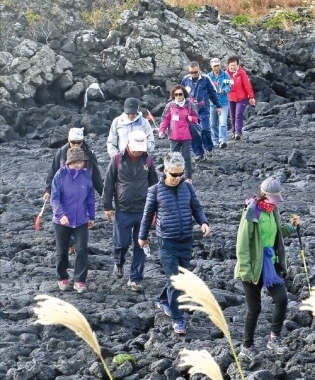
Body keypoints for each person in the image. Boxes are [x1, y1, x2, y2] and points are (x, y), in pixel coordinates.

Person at [138, 152, 211, 335]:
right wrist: (142, 236)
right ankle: (178, 320)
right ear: (165, 170)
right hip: (167, 241)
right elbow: (147, 215)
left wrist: (203, 222)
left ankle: (164, 300)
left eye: (181, 174)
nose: (178, 178)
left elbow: (196, 207)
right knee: (175, 280)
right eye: (174, 175)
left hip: (186, 239)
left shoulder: (187, 187)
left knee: (182, 278)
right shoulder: (155, 190)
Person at [234, 177, 301, 359]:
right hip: (253, 266)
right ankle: (247, 346)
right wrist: (246, 271)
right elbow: (242, 245)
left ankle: (274, 339)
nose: (275, 201)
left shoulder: (273, 210)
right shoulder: (252, 212)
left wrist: (291, 227)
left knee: (282, 299)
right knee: (254, 308)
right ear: (264, 195)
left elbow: (277, 232)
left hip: (270, 264)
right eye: (273, 197)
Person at [103, 131, 158, 291]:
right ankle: (118, 262)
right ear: (128, 144)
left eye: (140, 149)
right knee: (121, 243)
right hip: (123, 209)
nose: (138, 151)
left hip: (143, 210)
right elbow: (108, 184)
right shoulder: (117, 159)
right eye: (136, 149)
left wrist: (156, 207)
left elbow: (154, 184)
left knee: (141, 244)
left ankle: (135, 279)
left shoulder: (147, 160)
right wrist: (107, 206)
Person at [50, 147, 96, 294]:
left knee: (82, 249)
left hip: (81, 219)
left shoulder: (86, 176)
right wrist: (60, 215)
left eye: (81, 161)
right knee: (62, 251)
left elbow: (90, 198)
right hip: (62, 221)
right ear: (69, 162)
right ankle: (62, 277)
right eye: (76, 162)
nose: (79, 165)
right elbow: (54, 198)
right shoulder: (60, 176)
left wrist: (92, 216)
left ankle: (79, 280)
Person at [181, 61, 222, 161]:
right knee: (194, 132)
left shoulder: (206, 79)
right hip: (190, 110)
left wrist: (218, 106)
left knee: (205, 129)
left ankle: (209, 148)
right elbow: (180, 93)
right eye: (191, 72)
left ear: (199, 69)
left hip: (203, 109)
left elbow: (213, 93)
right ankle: (199, 153)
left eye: (195, 72)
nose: (193, 74)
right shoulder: (185, 79)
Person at [158, 85, 199, 183]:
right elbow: (165, 119)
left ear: (184, 94)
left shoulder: (189, 105)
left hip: (186, 135)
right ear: (173, 95)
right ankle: (171, 175)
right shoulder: (170, 105)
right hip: (174, 136)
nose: (178, 96)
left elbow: (197, 118)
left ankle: (188, 177)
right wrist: (161, 130)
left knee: (186, 157)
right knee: (172, 157)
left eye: (180, 94)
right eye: (176, 94)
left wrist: (192, 119)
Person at [226, 55, 256, 141]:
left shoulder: (242, 73)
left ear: (238, 65)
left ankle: (238, 133)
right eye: (231, 65)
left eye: (234, 65)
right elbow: (224, 87)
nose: (232, 67)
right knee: (232, 115)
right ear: (228, 65)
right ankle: (234, 131)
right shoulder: (226, 74)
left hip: (242, 98)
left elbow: (247, 86)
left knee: (238, 114)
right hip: (231, 98)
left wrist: (251, 97)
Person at [206, 58, 233, 149]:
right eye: (214, 66)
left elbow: (229, 86)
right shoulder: (208, 76)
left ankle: (223, 141)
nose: (216, 67)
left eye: (217, 65)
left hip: (223, 103)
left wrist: (224, 90)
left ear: (220, 65)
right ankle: (215, 141)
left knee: (222, 123)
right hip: (212, 104)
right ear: (211, 66)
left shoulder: (225, 75)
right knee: (213, 124)